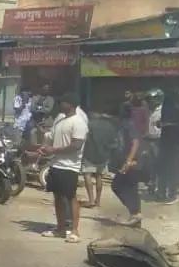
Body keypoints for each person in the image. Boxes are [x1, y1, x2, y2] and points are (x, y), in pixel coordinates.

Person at [38, 92, 88, 243]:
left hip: (70, 166)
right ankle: (60, 229)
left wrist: (54, 150)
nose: (60, 105)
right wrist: (44, 149)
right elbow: (52, 139)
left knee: (71, 197)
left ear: (70, 105)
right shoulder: (60, 121)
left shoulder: (78, 122)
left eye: (63, 103)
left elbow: (76, 145)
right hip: (56, 164)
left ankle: (74, 231)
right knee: (57, 197)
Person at [110, 104, 146, 226]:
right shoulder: (126, 124)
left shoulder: (128, 125)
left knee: (117, 185)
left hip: (132, 161)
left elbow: (135, 143)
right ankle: (135, 217)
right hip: (132, 160)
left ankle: (135, 213)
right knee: (132, 188)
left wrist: (128, 161)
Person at [155, 88, 179, 203]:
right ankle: (161, 192)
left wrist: (170, 125)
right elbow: (163, 121)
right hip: (165, 140)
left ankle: (172, 194)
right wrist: (161, 123)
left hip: (177, 140)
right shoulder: (167, 104)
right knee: (163, 168)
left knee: (173, 168)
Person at [81, 110, 119, 209]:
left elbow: (83, 139)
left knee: (87, 175)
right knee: (99, 177)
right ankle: (98, 201)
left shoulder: (89, 125)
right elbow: (114, 143)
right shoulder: (109, 126)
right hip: (103, 156)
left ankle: (91, 200)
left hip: (89, 153)